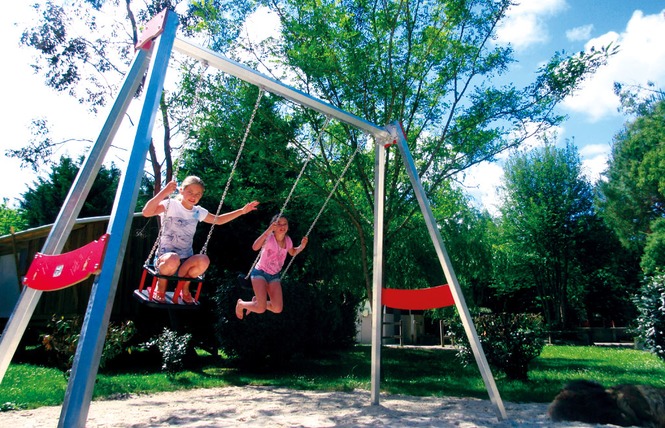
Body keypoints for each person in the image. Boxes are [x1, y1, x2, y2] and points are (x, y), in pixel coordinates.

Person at [143, 176, 259, 304]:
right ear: (181, 190)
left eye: (198, 194)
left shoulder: (198, 212)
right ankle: (161, 287)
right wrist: (164, 192)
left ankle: (184, 288)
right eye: (190, 192)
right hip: (166, 258)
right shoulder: (171, 205)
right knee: (173, 258)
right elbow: (146, 212)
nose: (193, 196)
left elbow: (218, 220)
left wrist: (242, 211)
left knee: (204, 260)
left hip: (185, 260)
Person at [235, 214, 308, 319]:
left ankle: (258, 301)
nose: (282, 226)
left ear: (288, 226)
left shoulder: (288, 240)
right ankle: (241, 304)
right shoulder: (269, 238)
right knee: (261, 308)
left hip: (274, 276)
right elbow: (255, 247)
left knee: (277, 308)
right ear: (273, 226)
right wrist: (268, 231)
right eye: (279, 224)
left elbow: (292, 252)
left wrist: (302, 246)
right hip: (260, 273)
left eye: (285, 224)